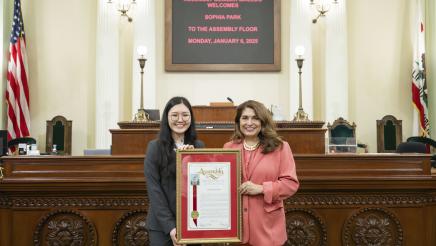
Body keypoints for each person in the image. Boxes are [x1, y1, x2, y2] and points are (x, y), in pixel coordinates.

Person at [223, 100, 299, 246]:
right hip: (236, 231)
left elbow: (291, 184)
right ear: (238, 122)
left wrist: (261, 188)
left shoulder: (280, 147)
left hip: (268, 230)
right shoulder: (229, 147)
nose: (249, 122)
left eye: (255, 118)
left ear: (263, 121)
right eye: (245, 118)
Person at [144, 96, 204, 246]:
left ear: (191, 118)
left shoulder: (198, 146)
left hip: (193, 222)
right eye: (174, 115)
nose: (180, 119)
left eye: (185, 115)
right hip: (161, 226)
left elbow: (200, 186)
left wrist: (191, 159)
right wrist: (170, 227)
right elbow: (154, 190)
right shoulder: (154, 147)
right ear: (167, 118)